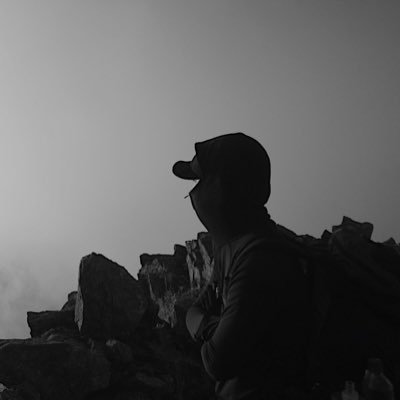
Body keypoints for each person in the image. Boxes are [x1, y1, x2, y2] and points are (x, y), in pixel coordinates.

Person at [172, 132, 311, 400]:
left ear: (224, 187)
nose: (194, 194)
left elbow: (216, 361)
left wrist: (205, 327)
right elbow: (194, 310)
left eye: (201, 181)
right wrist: (216, 327)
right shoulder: (232, 248)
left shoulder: (262, 258)